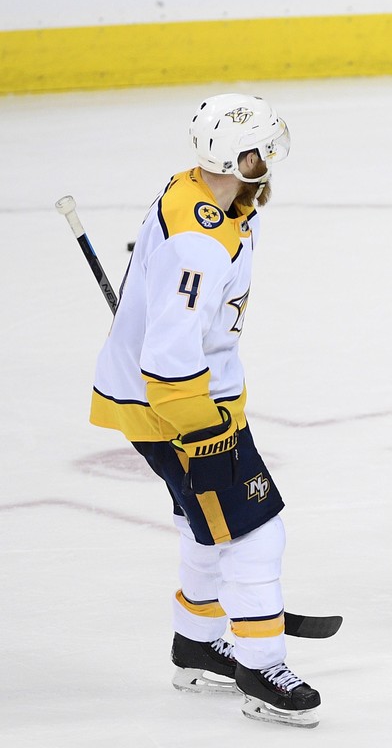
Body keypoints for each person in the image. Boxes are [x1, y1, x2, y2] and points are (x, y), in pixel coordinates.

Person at [88, 95, 322, 728]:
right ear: (237, 157)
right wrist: (203, 428)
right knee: (254, 529)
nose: (270, 161)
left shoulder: (200, 193)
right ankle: (260, 664)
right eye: (262, 152)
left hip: (177, 397)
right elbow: (168, 355)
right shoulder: (201, 244)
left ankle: (196, 644)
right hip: (181, 407)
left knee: (205, 522)